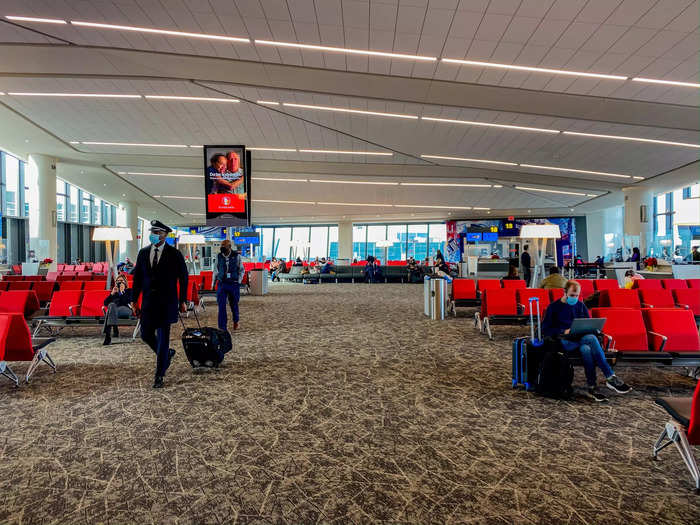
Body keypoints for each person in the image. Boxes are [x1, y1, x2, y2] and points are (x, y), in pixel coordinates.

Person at [542, 280, 631, 402]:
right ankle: (610, 377)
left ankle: (592, 387)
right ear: (564, 292)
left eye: (577, 295)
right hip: (564, 341)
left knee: (586, 349)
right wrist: (563, 331)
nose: (574, 298)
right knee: (590, 340)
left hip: (581, 339)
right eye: (572, 295)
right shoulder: (554, 307)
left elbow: (588, 324)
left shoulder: (580, 305)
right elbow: (545, 329)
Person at [131, 220, 188, 389]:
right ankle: (166, 356)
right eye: (152, 232)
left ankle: (159, 374)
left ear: (165, 235)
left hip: (167, 302)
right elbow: (137, 279)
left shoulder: (174, 254)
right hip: (148, 302)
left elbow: (183, 278)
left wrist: (182, 300)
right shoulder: (143, 253)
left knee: (163, 338)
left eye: (157, 232)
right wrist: (134, 300)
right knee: (145, 334)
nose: (154, 235)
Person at [215, 239, 245, 333]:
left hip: (233, 283)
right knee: (221, 305)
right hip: (222, 283)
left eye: (224, 247)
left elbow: (241, 270)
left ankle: (236, 320)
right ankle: (222, 327)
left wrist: (238, 281)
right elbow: (216, 269)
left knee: (234, 304)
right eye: (221, 246)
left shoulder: (237, 256)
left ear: (229, 247)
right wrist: (213, 282)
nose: (222, 248)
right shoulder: (219, 256)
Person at [102, 274, 133, 346]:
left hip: (126, 309)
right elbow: (105, 303)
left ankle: (110, 334)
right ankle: (108, 336)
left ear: (125, 282)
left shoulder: (129, 291)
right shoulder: (114, 292)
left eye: (121, 281)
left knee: (110, 309)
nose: (119, 282)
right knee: (111, 305)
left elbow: (128, 302)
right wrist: (112, 294)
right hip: (114, 310)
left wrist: (122, 292)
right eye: (118, 281)